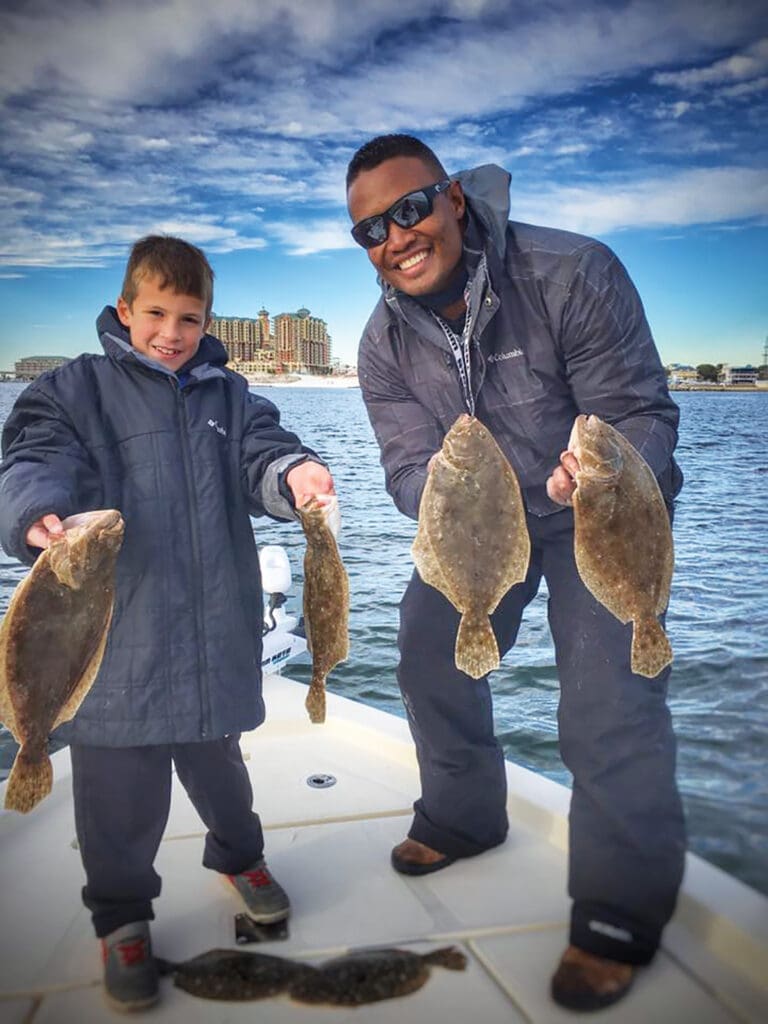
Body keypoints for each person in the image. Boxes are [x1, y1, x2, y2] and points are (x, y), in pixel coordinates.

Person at [346, 134, 685, 1012]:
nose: (396, 236)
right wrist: (449, 497)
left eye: (410, 208)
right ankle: (463, 817)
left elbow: (641, 411)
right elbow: (403, 468)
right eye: (371, 230)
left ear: (452, 198)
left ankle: (617, 912)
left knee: (609, 694)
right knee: (428, 651)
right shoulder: (381, 345)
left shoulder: (571, 272)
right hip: (483, 522)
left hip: (594, 513)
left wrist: (598, 473)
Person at [0, 235, 336, 1013]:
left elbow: (267, 454)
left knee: (224, 772)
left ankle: (240, 858)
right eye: (155, 312)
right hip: (113, 649)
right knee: (120, 798)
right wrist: (36, 517)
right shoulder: (71, 389)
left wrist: (297, 475)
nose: (172, 332)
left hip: (215, 633)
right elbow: (29, 461)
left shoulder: (229, 394)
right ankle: (121, 921)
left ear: (207, 319)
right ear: (125, 309)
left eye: (189, 317)